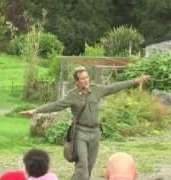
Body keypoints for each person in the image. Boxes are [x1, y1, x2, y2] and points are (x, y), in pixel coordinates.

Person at [19, 66, 150, 180]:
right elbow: (56, 105)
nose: (85, 80)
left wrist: (134, 81)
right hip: (81, 132)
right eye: (82, 78)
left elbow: (114, 87)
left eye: (86, 77)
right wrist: (35, 111)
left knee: (90, 165)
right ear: (76, 82)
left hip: (95, 132)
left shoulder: (96, 90)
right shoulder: (72, 95)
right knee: (82, 164)